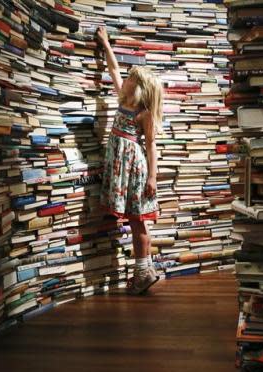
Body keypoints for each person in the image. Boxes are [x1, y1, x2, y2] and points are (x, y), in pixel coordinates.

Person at [95, 26, 164, 295]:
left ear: (139, 89)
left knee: (138, 220)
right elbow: (113, 69)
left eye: (130, 80)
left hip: (134, 169)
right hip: (120, 168)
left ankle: (142, 273)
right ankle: (145, 271)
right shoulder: (123, 100)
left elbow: (150, 145)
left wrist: (152, 177)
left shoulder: (143, 113)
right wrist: (105, 43)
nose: (124, 81)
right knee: (136, 221)